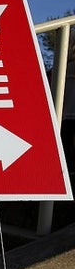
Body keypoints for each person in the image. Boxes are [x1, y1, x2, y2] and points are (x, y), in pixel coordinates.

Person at [60, 35, 75, 175]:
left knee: (65, 149)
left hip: (65, 114)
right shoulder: (68, 67)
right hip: (68, 115)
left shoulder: (63, 67)